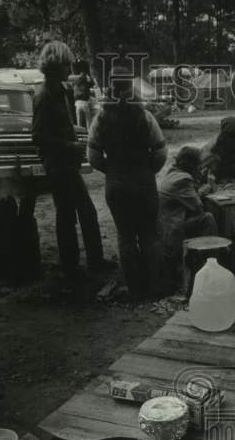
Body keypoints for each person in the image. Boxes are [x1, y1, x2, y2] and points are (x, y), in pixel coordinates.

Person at [31, 40, 114, 279]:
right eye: (67, 64)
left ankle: (80, 264)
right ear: (56, 65)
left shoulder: (60, 90)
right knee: (73, 213)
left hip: (66, 161)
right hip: (57, 163)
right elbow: (38, 136)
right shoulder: (44, 95)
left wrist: (76, 139)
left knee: (75, 212)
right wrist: (70, 145)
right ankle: (79, 265)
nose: (71, 68)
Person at [87, 64, 168, 298]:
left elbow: (93, 157)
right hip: (143, 182)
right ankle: (153, 286)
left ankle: (134, 288)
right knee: (149, 235)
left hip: (117, 184)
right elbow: (161, 152)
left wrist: (111, 170)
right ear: (132, 85)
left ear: (110, 86)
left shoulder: (101, 119)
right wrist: (147, 171)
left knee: (125, 236)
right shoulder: (145, 116)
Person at [156, 146, 217, 294]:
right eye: (199, 165)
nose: (201, 168)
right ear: (192, 165)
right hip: (172, 229)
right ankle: (211, 261)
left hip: (162, 224)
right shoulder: (184, 179)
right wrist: (209, 185)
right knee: (208, 218)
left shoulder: (172, 172)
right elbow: (198, 207)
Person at [200, 116, 235, 189]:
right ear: (223, 135)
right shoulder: (210, 150)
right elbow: (201, 176)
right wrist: (218, 184)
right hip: (213, 187)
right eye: (231, 137)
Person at [71, 58, 96, 128]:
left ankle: (81, 137)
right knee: (88, 122)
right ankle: (89, 135)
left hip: (77, 103)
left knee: (79, 124)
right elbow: (92, 83)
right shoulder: (85, 80)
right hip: (85, 102)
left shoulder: (75, 81)